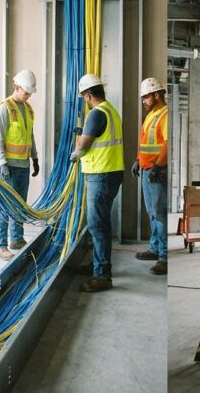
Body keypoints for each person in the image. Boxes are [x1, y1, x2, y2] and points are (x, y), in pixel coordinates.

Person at [70, 74, 125, 293]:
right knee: (101, 223)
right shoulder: (111, 111)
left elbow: (84, 144)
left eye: (84, 96)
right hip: (109, 172)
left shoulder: (96, 113)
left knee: (97, 225)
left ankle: (102, 275)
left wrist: (75, 154)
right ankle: (98, 264)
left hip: (100, 174)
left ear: (88, 95)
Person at [0, 69, 40, 260]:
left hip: (23, 165)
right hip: (9, 167)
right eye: (26, 92)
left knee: (19, 204)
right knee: (4, 205)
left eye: (30, 93)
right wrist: (2, 162)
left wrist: (34, 158)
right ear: (16, 87)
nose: (28, 95)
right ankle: (0, 245)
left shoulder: (28, 109)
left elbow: (30, 135)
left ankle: (17, 239)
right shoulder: (5, 108)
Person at [131, 77, 168, 276]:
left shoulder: (165, 114)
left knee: (160, 215)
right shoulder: (151, 115)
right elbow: (146, 142)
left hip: (156, 173)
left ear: (156, 95)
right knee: (152, 213)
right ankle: (155, 248)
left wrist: (157, 167)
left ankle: (164, 257)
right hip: (147, 170)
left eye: (146, 97)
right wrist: (138, 160)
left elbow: (167, 144)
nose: (144, 101)